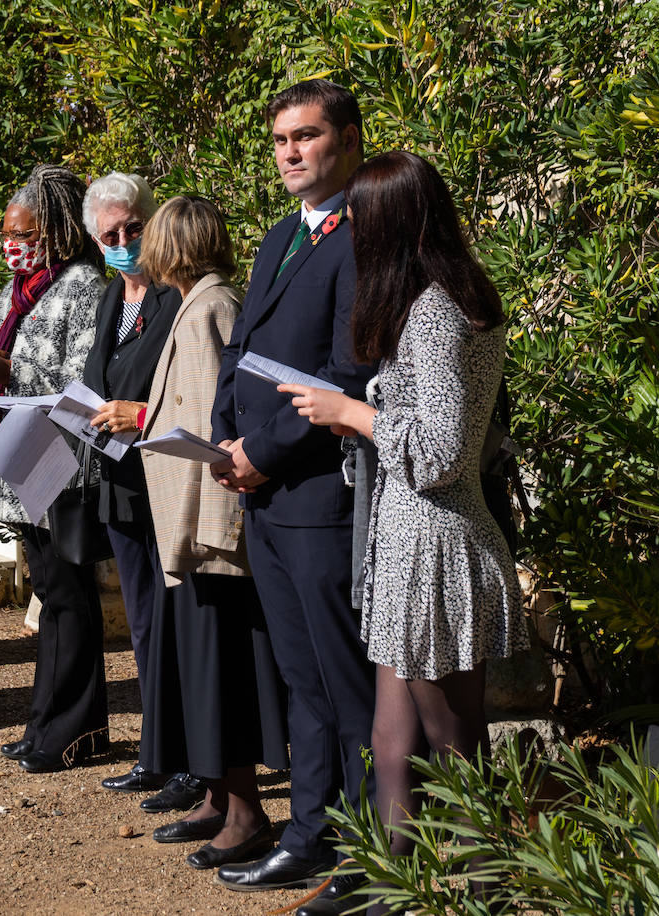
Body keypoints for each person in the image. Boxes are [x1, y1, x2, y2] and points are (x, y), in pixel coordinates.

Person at [281, 150, 526, 916]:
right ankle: (392, 891)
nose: (349, 230)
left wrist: (351, 413)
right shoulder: (435, 300)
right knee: (393, 741)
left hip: (437, 544)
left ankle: (490, 893)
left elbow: (445, 454)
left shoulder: (437, 313)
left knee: (454, 745)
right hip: (410, 542)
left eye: (359, 216)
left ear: (391, 222)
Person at [208, 79, 378, 897]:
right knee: (300, 678)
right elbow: (241, 352)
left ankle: (365, 850)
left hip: (317, 495)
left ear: (347, 141)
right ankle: (310, 832)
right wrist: (221, 441)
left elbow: (348, 374)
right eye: (280, 140)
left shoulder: (365, 237)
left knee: (343, 682)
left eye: (305, 137)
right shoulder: (280, 235)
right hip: (262, 489)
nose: (289, 153)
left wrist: (264, 454)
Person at [134, 195, 290, 870]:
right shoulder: (195, 303)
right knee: (199, 673)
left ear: (173, 246)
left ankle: (247, 809)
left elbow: (221, 422)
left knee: (222, 672)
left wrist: (217, 530)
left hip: (206, 532)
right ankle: (221, 797)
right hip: (185, 527)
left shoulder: (212, 307)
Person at [0, 164, 108, 774]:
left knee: (70, 596)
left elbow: (82, 381)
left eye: (23, 234)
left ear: (56, 230)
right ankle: (45, 720)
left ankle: (77, 730)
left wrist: (8, 374)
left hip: (63, 461)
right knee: (48, 591)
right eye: (3, 236)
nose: (10, 246)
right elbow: (6, 351)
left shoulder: (83, 287)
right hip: (19, 452)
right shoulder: (21, 291)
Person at [80, 172, 202, 813]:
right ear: (95, 241)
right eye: (111, 234)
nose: (125, 241)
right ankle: (156, 753)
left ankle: (188, 760)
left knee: (178, 623)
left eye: (134, 227)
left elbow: (184, 388)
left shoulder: (173, 297)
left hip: (165, 478)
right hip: (119, 480)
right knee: (145, 624)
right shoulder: (110, 297)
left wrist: (139, 409)